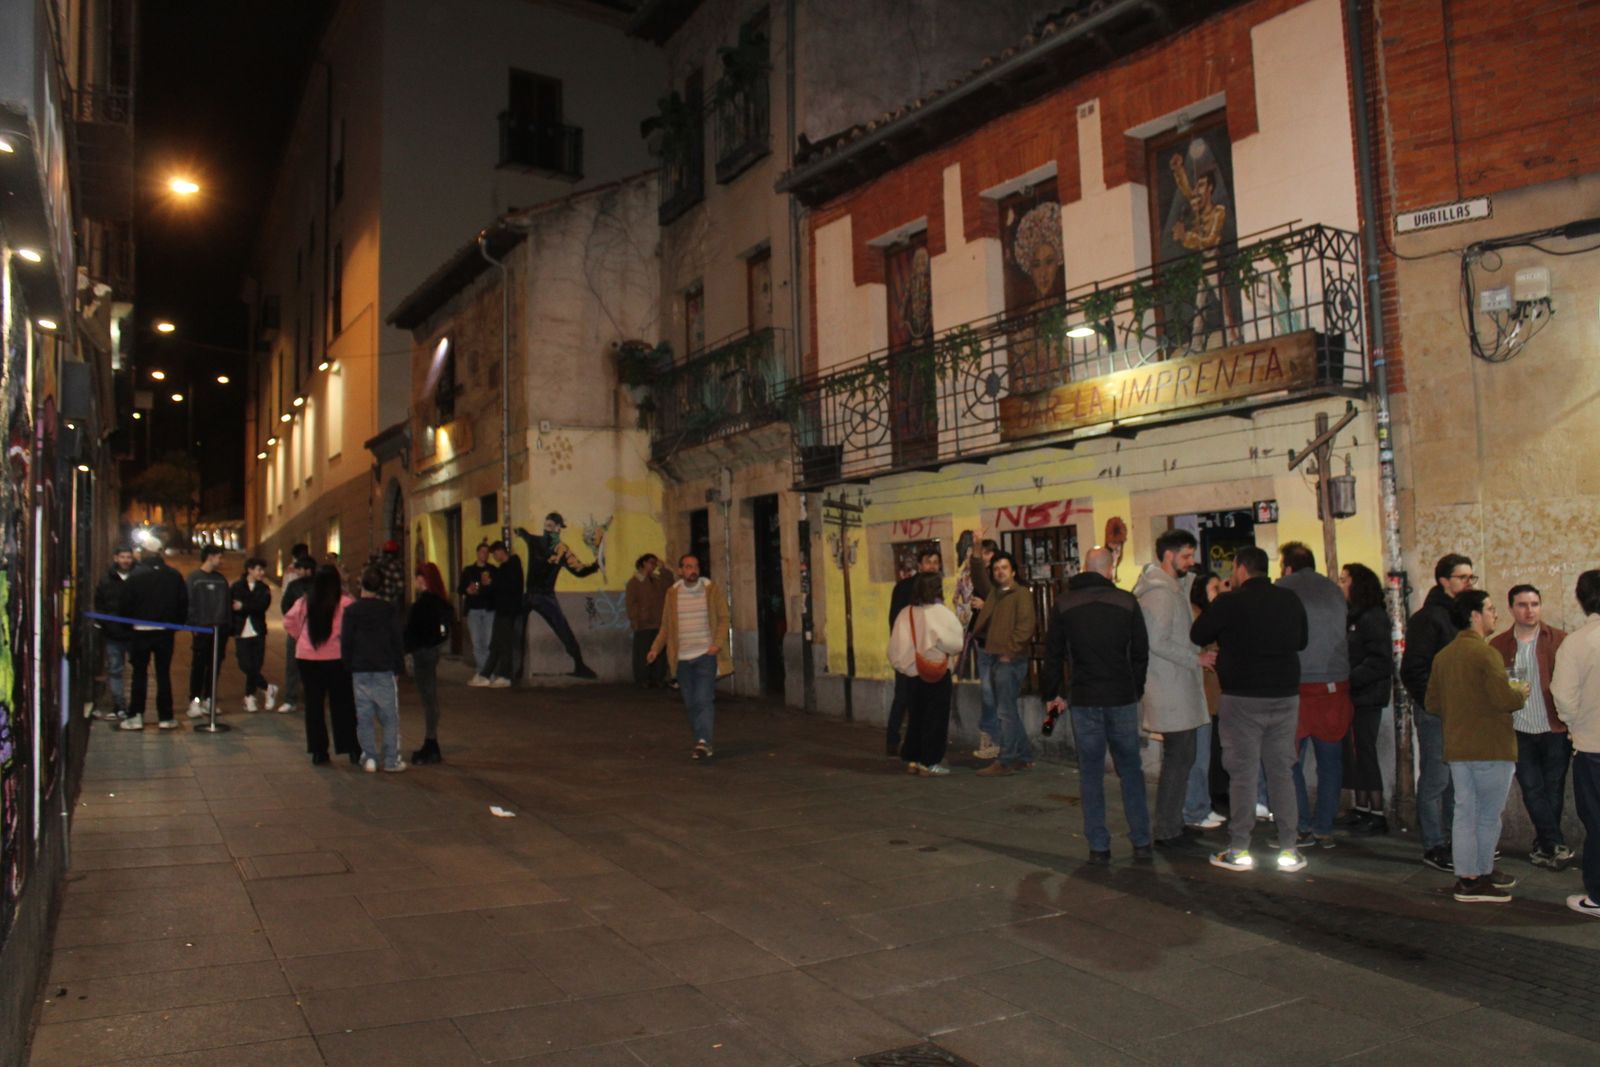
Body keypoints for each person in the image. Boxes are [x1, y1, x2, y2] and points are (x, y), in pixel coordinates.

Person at [1192, 546, 1308, 873]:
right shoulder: (1289, 599)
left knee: (1243, 773)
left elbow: (1198, 633)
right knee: (1281, 771)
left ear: (1241, 569)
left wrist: (1222, 603)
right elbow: (1302, 640)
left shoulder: (1229, 602)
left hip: (1242, 698)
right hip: (1284, 696)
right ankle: (1289, 849)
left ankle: (1239, 849)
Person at [1045, 546, 1152, 859]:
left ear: (1084, 568)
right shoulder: (1127, 602)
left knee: (1090, 772)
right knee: (1130, 769)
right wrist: (1135, 688)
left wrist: (1055, 693)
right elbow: (1140, 652)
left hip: (1084, 697)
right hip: (1121, 697)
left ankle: (1098, 845)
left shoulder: (1064, 604)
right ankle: (1141, 840)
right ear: (1109, 569)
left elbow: (1053, 654)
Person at [1425, 590, 1523, 903]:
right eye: (1491, 609)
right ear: (1474, 615)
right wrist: (1520, 693)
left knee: (1465, 813)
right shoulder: (1486, 653)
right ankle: (1476, 878)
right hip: (1490, 746)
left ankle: (1471, 874)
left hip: (1458, 748)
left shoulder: (1444, 656)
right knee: (1488, 815)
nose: (1496, 614)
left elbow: (1432, 703)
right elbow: (1504, 698)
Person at [1133, 530, 1210, 844]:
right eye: (1186, 556)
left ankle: (1172, 823)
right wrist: (1196, 659)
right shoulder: (1161, 593)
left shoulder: (1170, 588)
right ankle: (1167, 828)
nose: (1191, 562)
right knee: (1178, 760)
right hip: (1170, 689)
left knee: (1181, 759)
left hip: (1175, 687)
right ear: (1169, 555)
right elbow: (1158, 641)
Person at [1401, 553, 1475, 872]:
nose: (1468, 583)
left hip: (1460, 712)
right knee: (1436, 778)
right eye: (1462, 577)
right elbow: (1413, 669)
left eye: (1471, 577)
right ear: (1444, 581)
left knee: (1456, 779)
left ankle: (1454, 839)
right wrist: (1433, 703)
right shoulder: (1429, 618)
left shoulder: (1461, 616)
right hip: (1436, 712)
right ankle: (1433, 844)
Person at [1488, 584, 1571, 869]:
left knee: (1554, 790)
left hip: (1554, 728)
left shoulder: (1558, 640)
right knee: (1532, 789)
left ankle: (1546, 846)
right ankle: (1554, 844)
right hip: (1518, 729)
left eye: (1534, 604)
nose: (1530, 610)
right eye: (1522, 605)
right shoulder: (1498, 646)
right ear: (1511, 608)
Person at [1279, 542, 1353, 850]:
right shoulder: (1334, 590)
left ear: (1287, 567)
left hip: (1297, 686)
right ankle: (1324, 827)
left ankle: (1301, 826)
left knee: (1288, 760)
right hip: (1335, 686)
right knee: (1330, 762)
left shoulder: (1282, 589)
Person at [648, 554, 731, 760]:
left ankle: (703, 741)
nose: (692, 570)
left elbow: (724, 618)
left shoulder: (711, 590)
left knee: (703, 698)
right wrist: (655, 649)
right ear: (680, 571)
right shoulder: (672, 594)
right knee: (691, 702)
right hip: (682, 659)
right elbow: (666, 626)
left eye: (695, 566)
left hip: (705, 655)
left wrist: (716, 644)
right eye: (687, 567)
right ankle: (701, 740)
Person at [1551, 570, 1600, 918]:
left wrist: (1575, 723)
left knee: (1597, 822)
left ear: (1582, 599)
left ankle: (1598, 897)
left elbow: (1564, 700)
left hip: (1593, 747)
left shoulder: (1577, 643)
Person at [888, 572, 965, 776]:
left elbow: (895, 648)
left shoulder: (906, 613)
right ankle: (929, 762)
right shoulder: (942, 613)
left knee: (916, 717)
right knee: (935, 718)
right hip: (936, 672)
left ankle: (912, 758)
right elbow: (955, 644)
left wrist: (906, 666)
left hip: (912, 673)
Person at [284, 565, 359, 765]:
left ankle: (319, 751)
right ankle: (351, 747)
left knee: (314, 705)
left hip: (308, 658)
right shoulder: (346, 603)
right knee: (343, 704)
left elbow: (289, 622)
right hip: (337, 658)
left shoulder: (304, 602)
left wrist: (301, 638)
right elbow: (354, 629)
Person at [1339, 562, 1393, 834]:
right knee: (1355, 752)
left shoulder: (1372, 617)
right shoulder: (1355, 616)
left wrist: (1350, 678)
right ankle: (1361, 808)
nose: (1340, 584)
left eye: (1344, 579)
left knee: (1365, 751)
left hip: (1367, 695)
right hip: (1357, 694)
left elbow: (1380, 660)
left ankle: (1377, 812)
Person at [973, 552, 1036, 777]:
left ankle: (1006, 760)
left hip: (1009, 660)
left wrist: (1009, 653)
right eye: (996, 568)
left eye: (1004, 567)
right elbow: (978, 576)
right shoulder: (995, 593)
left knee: (1005, 712)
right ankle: (1024, 756)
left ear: (1014, 571)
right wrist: (976, 550)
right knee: (1008, 710)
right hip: (996, 657)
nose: (1000, 572)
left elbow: (1026, 626)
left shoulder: (1021, 594)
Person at [516, 513, 600, 679]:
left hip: (529, 595)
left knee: (518, 632)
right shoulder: (562, 549)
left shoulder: (534, 541)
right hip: (545, 597)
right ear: (558, 528)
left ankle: (516, 669)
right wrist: (595, 566)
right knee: (563, 630)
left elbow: (521, 532)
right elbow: (579, 571)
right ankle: (579, 665)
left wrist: (518, 531)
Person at [343, 566, 407, 773]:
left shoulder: (352, 611)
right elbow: (396, 639)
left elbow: (346, 641)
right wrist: (399, 667)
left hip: (360, 669)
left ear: (361, 584)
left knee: (364, 716)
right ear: (380, 587)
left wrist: (348, 665)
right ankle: (391, 759)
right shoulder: (388, 610)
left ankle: (369, 756)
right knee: (389, 716)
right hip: (383, 667)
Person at [120, 550, 188, 731]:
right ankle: (166, 717)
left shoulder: (135, 576)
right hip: (164, 632)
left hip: (140, 631)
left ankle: (136, 715)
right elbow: (183, 602)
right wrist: (176, 625)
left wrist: (128, 626)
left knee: (139, 674)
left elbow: (125, 603)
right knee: (163, 674)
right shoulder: (174, 576)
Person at [886, 548, 943, 757]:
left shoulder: (936, 588)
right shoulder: (904, 587)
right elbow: (895, 620)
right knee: (903, 696)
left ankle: (916, 740)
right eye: (928, 562)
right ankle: (892, 739)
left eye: (935, 562)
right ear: (919, 565)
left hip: (928, 652)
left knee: (921, 698)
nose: (932, 566)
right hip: (908, 650)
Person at [1185, 571, 1227, 831]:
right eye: (1214, 588)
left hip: (1210, 695)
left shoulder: (1210, 614)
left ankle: (1202, 805)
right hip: (1200, 694)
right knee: (1198, 757)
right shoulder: (1195, 614)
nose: (1218, 593)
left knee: (1205, 755)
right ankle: (1195, 809)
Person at [406, 563, 453, 765]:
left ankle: (431, 743)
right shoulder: (441, 603)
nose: (416, 581)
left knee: (428, 698)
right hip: (433, 651)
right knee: (430, 697)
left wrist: (407, 652)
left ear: (422, 579)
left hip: (421, 653)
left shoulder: (421, 605)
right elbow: (445, 630)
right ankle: (431, 742)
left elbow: (410, 632)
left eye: (418, 577)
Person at [185, 545, 232, 718]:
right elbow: (189, 602)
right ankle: (195, 700)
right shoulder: (194, 578)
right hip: (202, 628)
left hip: (220, 630)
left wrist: (228, 626)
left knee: (215, 665)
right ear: (210, 557)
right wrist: (193, 625)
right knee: (199, 665)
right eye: (219, 557)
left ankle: (209, 698)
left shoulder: (220, 579)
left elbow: (227, 604)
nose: (221, 560)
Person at [92, 546, 137, 722]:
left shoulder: (138, 578)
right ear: (116, 558)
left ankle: (135, 706)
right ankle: (119, 705)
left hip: (133, 633)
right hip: (113, 634)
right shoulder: (106, 580)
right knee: (115, 670)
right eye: (122, 557)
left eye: (128, 557)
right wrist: (106, 624)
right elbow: (100, 603)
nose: (126, 560)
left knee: (137, 670)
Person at [966, 537, 1001, 757]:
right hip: (983, 640)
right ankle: (989, 737)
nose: (986, 558)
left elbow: (1007, 606)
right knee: (988, 691)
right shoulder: (982, 577)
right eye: (983, 553)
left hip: (998, 640)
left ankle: (994, 738)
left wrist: (986, 605)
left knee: (996, 692)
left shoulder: (1000, 578)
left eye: (988, 553)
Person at [229, 557, 277, 713]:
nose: (262, 573)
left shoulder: (264, 588)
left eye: (263, 570)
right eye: (259, 569)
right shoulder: (237, 586)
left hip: (258, 631)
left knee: (256, 665)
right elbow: (232, 606)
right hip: (241, 630)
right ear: (249, 569)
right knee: (244, 664)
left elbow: (261, 606)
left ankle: (249, 697)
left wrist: (243, 606)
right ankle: (268, 688)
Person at [474, 540, 524, 688]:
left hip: (509, 611)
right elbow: (496, 587)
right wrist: (486, 585)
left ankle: (505, 676)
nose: (494, 557)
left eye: (494, 554)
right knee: (495, 644)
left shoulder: (513, 566)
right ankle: (485, 674)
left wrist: (492, 584)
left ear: (501, 551)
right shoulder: (503, 568)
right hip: (501, 610)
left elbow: (511, 586)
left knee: (504, 644)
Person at [626, 554, 673, 688]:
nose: (653, 566)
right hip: (643, 623)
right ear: (643, 563)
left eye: (655, 563)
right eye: (651, 562)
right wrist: (635, 619)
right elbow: (631, 603)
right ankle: (643, 679)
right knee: (642, 652)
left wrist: (663, 569)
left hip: (658, 621)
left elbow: (670, 585)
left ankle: (658, 677)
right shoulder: (634, 582)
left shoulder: (657, 580)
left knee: (659, 652)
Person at [277, 557, 314, 713]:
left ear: (308, 569)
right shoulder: (294, 586)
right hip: (296, 632)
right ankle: (290, 699)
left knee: (312, 668)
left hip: (313, 632)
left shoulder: (318, 586)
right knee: (292, 666)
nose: (298, 572)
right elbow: (285, 606)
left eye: (300, 569)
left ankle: (310, 699)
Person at [460, 543, 497, 683]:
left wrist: (488, 585)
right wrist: (467, 590)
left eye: (487, 552)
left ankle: (488, 672)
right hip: (473, 610)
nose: (484, 555)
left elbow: (496, 589)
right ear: (477, 553)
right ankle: (482, 671)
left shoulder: (492, 570)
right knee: (477, 643)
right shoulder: (469, 570)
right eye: (482, 551)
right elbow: (460, 588)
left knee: (488, 642)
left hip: (488, 609)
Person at [375, 539, 407, 608]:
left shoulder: (377, 563)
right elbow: (400, 586)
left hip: (377, 601)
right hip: (390, 601)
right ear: (396, 552)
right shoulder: (396, 565)